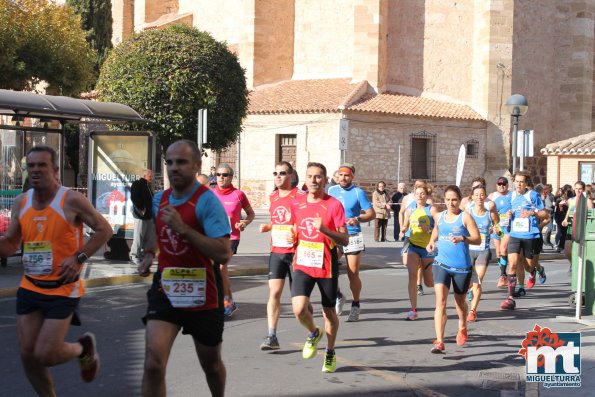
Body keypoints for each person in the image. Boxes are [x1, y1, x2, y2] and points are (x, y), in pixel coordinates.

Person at [0, 145, 112, 394]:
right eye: (31, 166)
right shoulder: (21, 202)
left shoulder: (70, 199)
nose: (36, 170)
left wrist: (79, 258)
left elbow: (105, 229)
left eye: (42, 165)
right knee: (28, 355)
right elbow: (9, 245)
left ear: (55, 169)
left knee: (46, 354)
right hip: (30, 285)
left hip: (63, 288)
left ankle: (83, 349)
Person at [137, 140, 232, 397]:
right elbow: (159, 234)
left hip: (203, 291)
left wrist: (185, 230)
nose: (174, 168)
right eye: (169, 162)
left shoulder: (207, 203)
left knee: (211, 364)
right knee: (153, 365)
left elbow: (224, 252)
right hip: (166, 288)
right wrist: (149, 253)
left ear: (197, 166)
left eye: (181, 162)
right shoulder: (160, 199)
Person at [290, 162, 348, 373]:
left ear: (324, 180)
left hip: (326, 264)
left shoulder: (333, 205)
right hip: (303, 263)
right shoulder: (297, 203)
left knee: (329, 312)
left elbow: (345, 239)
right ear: (305, 179)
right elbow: (296, 228)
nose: (314, 181)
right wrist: (292, 236)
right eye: (310, 176)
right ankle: (314, 332)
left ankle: (330, 352)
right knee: (298, 309)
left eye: (318, 177)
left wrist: (324, 229)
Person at [426, 185, 480, 353]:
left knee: (459, 302)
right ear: (444, 200)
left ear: (459, 200)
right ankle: (439, 341)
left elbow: (477, 239)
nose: (451, 203)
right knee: (440, 302)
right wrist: (431, 241)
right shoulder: (439, 216)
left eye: (454, 200)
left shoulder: (465, 217)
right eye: (448, 200)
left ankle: (462, 325)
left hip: (461, 267)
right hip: (440, 263)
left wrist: (463, 238)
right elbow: (436, 231)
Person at [259, 161, 306, 350]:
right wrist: (268, 227)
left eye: (282, 173)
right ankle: (272, 336)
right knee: (274, 293)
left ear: (291, 175)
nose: (278, 176)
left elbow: (305, 221)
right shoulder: (273, 196)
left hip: (296, 253)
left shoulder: (301, 196)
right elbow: (279, 220)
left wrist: (296, 233)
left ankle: (312, 329)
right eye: (275, 173)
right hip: (277, 251)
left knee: (300, 307)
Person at [328, 163, 375, 321]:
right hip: (334, 235)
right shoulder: (331, 190)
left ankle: (355, 304)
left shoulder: (358, 192)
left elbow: (371, 214)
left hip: (353, 236)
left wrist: (358, 218)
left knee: (352, 274)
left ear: (352, 177)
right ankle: (338, 295)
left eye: (346, 175)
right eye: (340, 175)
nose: (343, 178)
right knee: (328, 270)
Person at [500, 170, 548, 310]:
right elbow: (505, 214)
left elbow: (545, 213)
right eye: (517, 181)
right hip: (515, 234)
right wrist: (507, 214)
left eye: (522, 181)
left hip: (530, 235)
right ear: (513, 182)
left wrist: (532, 212)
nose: (519, 184)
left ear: (526, 183)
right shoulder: (511, 196)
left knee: (528, 266)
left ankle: (537, 269)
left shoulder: (532, 195)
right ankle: (510, 297)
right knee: (513, 264)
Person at [213, 163, 255, 317]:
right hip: (214, 237)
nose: (221, 178)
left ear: (231, 177)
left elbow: (251, 214)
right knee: (217, 269)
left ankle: (225, 300)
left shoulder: (239, 195)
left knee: (221, 268)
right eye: (218, 175)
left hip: (232, 237)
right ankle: (229, 300)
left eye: (224, 175)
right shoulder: (210, 194)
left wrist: (245, 222)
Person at [400, 184, 438, 320]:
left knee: (429, 282)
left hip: (427, 248)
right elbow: (405, 225)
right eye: (418, 193)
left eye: (423, 193)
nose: (420, 196)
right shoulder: (410, 210)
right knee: (412, 276)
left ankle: (441, 301)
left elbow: (437, 230)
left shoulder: (432, 209)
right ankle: (413, 310)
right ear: (414, 195)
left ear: (426, 196)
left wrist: (427, 229)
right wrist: (402, 230)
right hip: (413, 246)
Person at [465, 184, 499, 322]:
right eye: (477, 194)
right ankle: (469, 290)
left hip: (483, 251)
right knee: (468, 282)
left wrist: (497, 230)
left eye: (482, 194)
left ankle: (473, 311)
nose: (479, 197)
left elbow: (498, 227)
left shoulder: (489, 214)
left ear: (485, 196)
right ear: (472, 197)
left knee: (477, 282)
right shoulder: (468, 212)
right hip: (468, 251)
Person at [488, 176, 512, 288]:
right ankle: (504, 273)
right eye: (499, 184)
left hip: (507, 228)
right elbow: (486, 211)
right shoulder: (492, 196)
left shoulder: (512, 195)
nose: (501, 186)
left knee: (503, 249)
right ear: (496, 185)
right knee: (498, 252)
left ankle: (502, 275)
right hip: (497, 227)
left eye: (504, 184)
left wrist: (511, 213)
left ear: (507, 185)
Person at [562, 181, 594, 261]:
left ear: (583, 190)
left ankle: (579, 268)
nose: (578, 191)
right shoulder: (571, 200)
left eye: (580, 189)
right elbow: (569, 211)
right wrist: (565, 219)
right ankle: (573, 265)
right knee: (567, 250)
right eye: (576, 188)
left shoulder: (588, 201)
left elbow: (591, 217)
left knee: (581, 252)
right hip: (571, 228)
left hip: (583, 229)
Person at [130, 169, 155, 265]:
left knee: (146, 237)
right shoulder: (138, 184)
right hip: (141, 216)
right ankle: (134, 255)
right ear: (145, 175)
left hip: (148, 216)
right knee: (139, 236)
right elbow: (134, 197)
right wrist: (142, 208)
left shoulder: (147, 186)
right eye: (150, 175)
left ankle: (140, 255)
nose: (151, 177)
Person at [554, 185, 572, 253]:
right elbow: (556, 210)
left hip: (567, 218)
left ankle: (562, 246)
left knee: (564, 233)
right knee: (561, 233)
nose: (564, 195)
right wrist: (556, 218)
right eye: (563, 193)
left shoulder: (570, 201)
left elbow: (570, 209)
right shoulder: (558, 200)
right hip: (560, 218)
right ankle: (560, 246)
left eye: (565, 194)